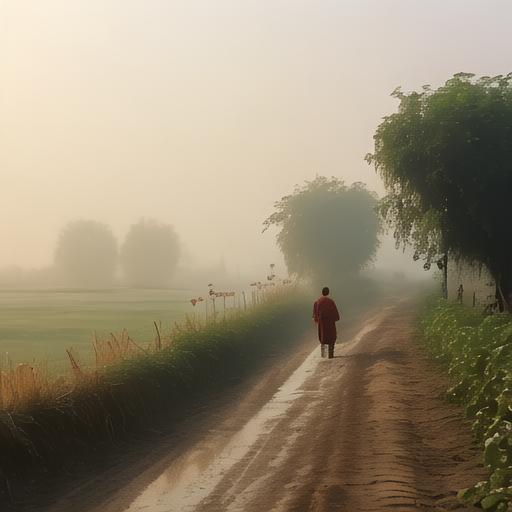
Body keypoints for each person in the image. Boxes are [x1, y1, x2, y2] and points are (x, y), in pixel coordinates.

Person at [313, 287, 341, 359]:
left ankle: (323, 354)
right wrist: (336, 318)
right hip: (330, 322)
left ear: (322, 292)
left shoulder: (317, 302)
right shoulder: (330, 301)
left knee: (323, 337)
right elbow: (335, 312)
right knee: (331, 336)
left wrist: (317, 320)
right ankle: (331, 355)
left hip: (321, 323)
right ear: (328, 292)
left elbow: (315, 314)